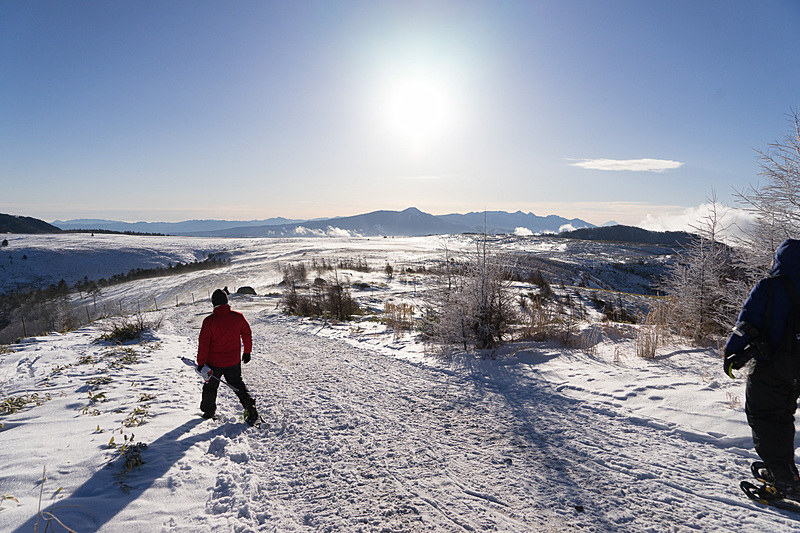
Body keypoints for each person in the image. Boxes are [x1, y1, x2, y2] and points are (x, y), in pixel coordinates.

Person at [724, 239, 800, 497]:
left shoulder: (769, 287)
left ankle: (784, 479)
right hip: (798, 371)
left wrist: (732, 353)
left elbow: (746, 322)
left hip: (770, 365)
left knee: (765, 416)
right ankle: (784, 469)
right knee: (784, 415)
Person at [197, 288, 259, 425]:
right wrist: (247, 352)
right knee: (238, 385)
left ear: (213, 303)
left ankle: (208, 412)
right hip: (233, 361)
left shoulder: (209, 321)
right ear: (227, 301)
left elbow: (204, 344)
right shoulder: (238, 317)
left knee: (210, 387)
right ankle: (250, 408)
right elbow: (247, 334)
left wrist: (200, 363)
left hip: (214, 364)